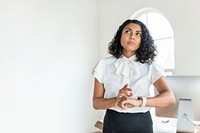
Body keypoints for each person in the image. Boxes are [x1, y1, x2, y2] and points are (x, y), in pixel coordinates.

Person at [92, 19, 176, 133]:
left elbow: (170, 98)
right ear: (120, 35)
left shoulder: (150, 66)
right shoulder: (103, 64)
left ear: (142, 40)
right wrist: (116, 99)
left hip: (142, 124)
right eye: (128, 31)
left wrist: (139, 102)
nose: (132, 37)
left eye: (138, 34)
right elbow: (96, 103)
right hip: (112, 123)